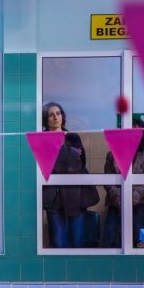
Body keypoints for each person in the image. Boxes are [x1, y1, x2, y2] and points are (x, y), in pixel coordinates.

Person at [41, 102, 99, 248]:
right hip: (53, 197)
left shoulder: (73, 137)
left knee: (77, 242)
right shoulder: (41, 139)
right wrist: (69, 153)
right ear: (45, 119)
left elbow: (78, 164)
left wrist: (61, 155)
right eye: (51, 115)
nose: (55, 117)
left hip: (75, 195)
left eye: (58, 113)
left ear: (63, 116)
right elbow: (47, 165)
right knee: (58, 243)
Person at [103, 118, 144, 247]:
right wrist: (120, 199)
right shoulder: (112, 154)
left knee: (140, 242)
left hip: (140, 204)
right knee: (110, 242)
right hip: (116, 204)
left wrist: (130, 199)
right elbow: (108, 180)